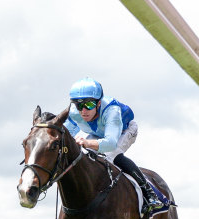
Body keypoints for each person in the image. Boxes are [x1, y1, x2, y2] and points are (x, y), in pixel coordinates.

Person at [64, 77, 162, 211]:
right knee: (86, 155)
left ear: (98, 104)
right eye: (79, 105)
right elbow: (65, 135)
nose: (84, 111)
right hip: (99, 133)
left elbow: (110, 143)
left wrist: (86, 142)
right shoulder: (74, 112)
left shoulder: (112, 110)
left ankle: (149, 192)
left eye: (89, 105)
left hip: (124, 130)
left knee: (111, 155)